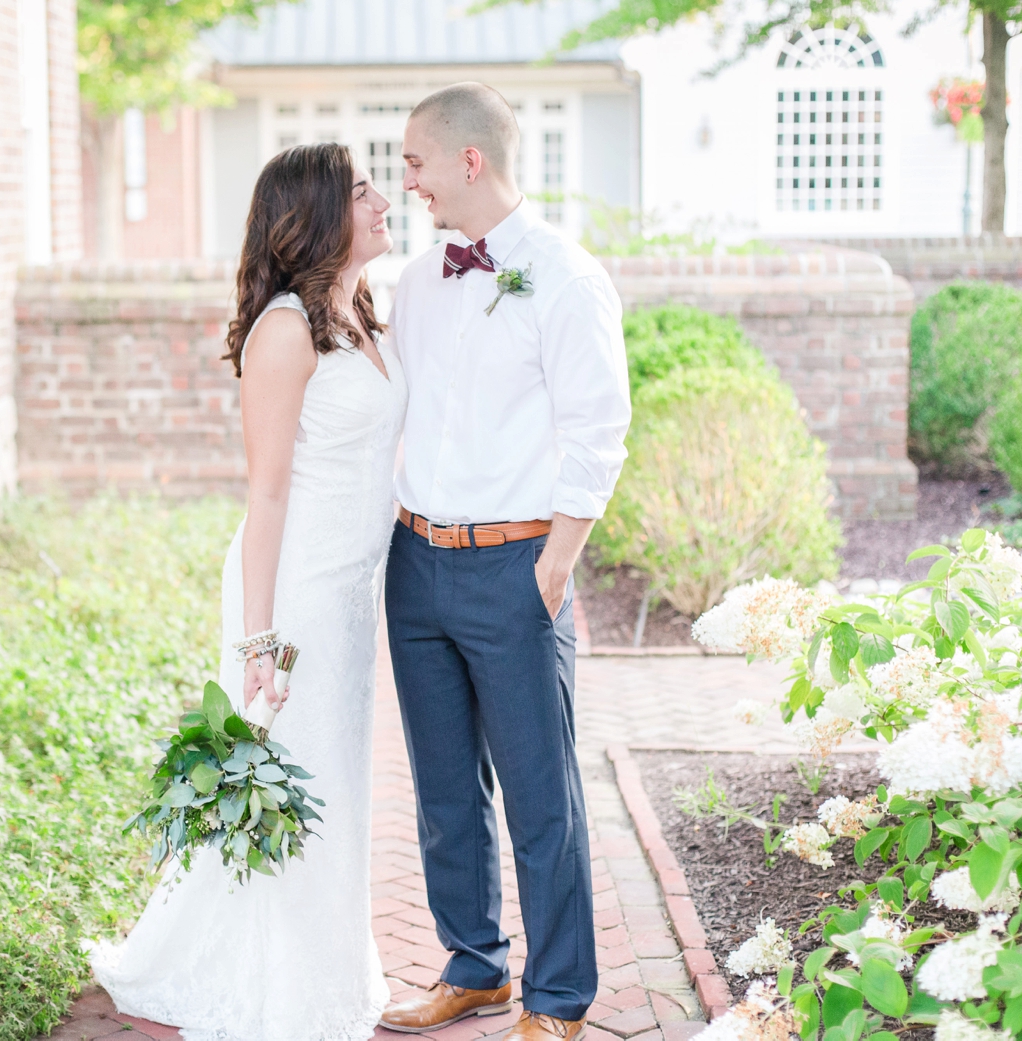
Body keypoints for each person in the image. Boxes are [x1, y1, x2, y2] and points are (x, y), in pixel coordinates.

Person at [88, 143, 405, 1041]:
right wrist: (258, 643)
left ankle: (328, 964)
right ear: (315, 214)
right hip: (295, 593)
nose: (383, 198)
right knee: (299, 783)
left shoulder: (361, 313)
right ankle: (284, 988)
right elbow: (265, 494)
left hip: (351, 593)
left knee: (337, 786)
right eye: (361, 189)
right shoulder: (282, 331)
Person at [376, 83, 632, 1041]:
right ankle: (473, 966)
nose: (407, 183)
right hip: (417, 560)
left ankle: (558, 997)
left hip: (518, 564)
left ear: (468, 161)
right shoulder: (414, 280)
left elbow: (599, 428)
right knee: (444, 789)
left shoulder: (565, 277)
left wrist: (556, 562)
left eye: (414, 163)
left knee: (540, 793)